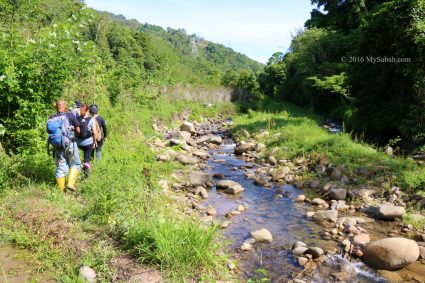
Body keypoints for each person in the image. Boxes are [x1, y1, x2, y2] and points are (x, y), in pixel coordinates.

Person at [46, 100, 81, 192]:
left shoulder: (51, 118)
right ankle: (70, 183)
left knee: (60, 167)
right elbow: (78, 130)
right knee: (75, 163)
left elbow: (49, 131)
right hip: (69, 143)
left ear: (56, 107)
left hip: (57, 146)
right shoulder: (69, 115)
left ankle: (60, 193)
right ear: (65, 107)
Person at [76, 104, 94, 177]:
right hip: (88, 143)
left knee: (76, 158)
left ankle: (76, 172)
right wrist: (94, 142)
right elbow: (95, 132)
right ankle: (86, 175)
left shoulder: (76, 118)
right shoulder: (91, 119)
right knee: (87, 159)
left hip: (78, 143)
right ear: (88, 110)